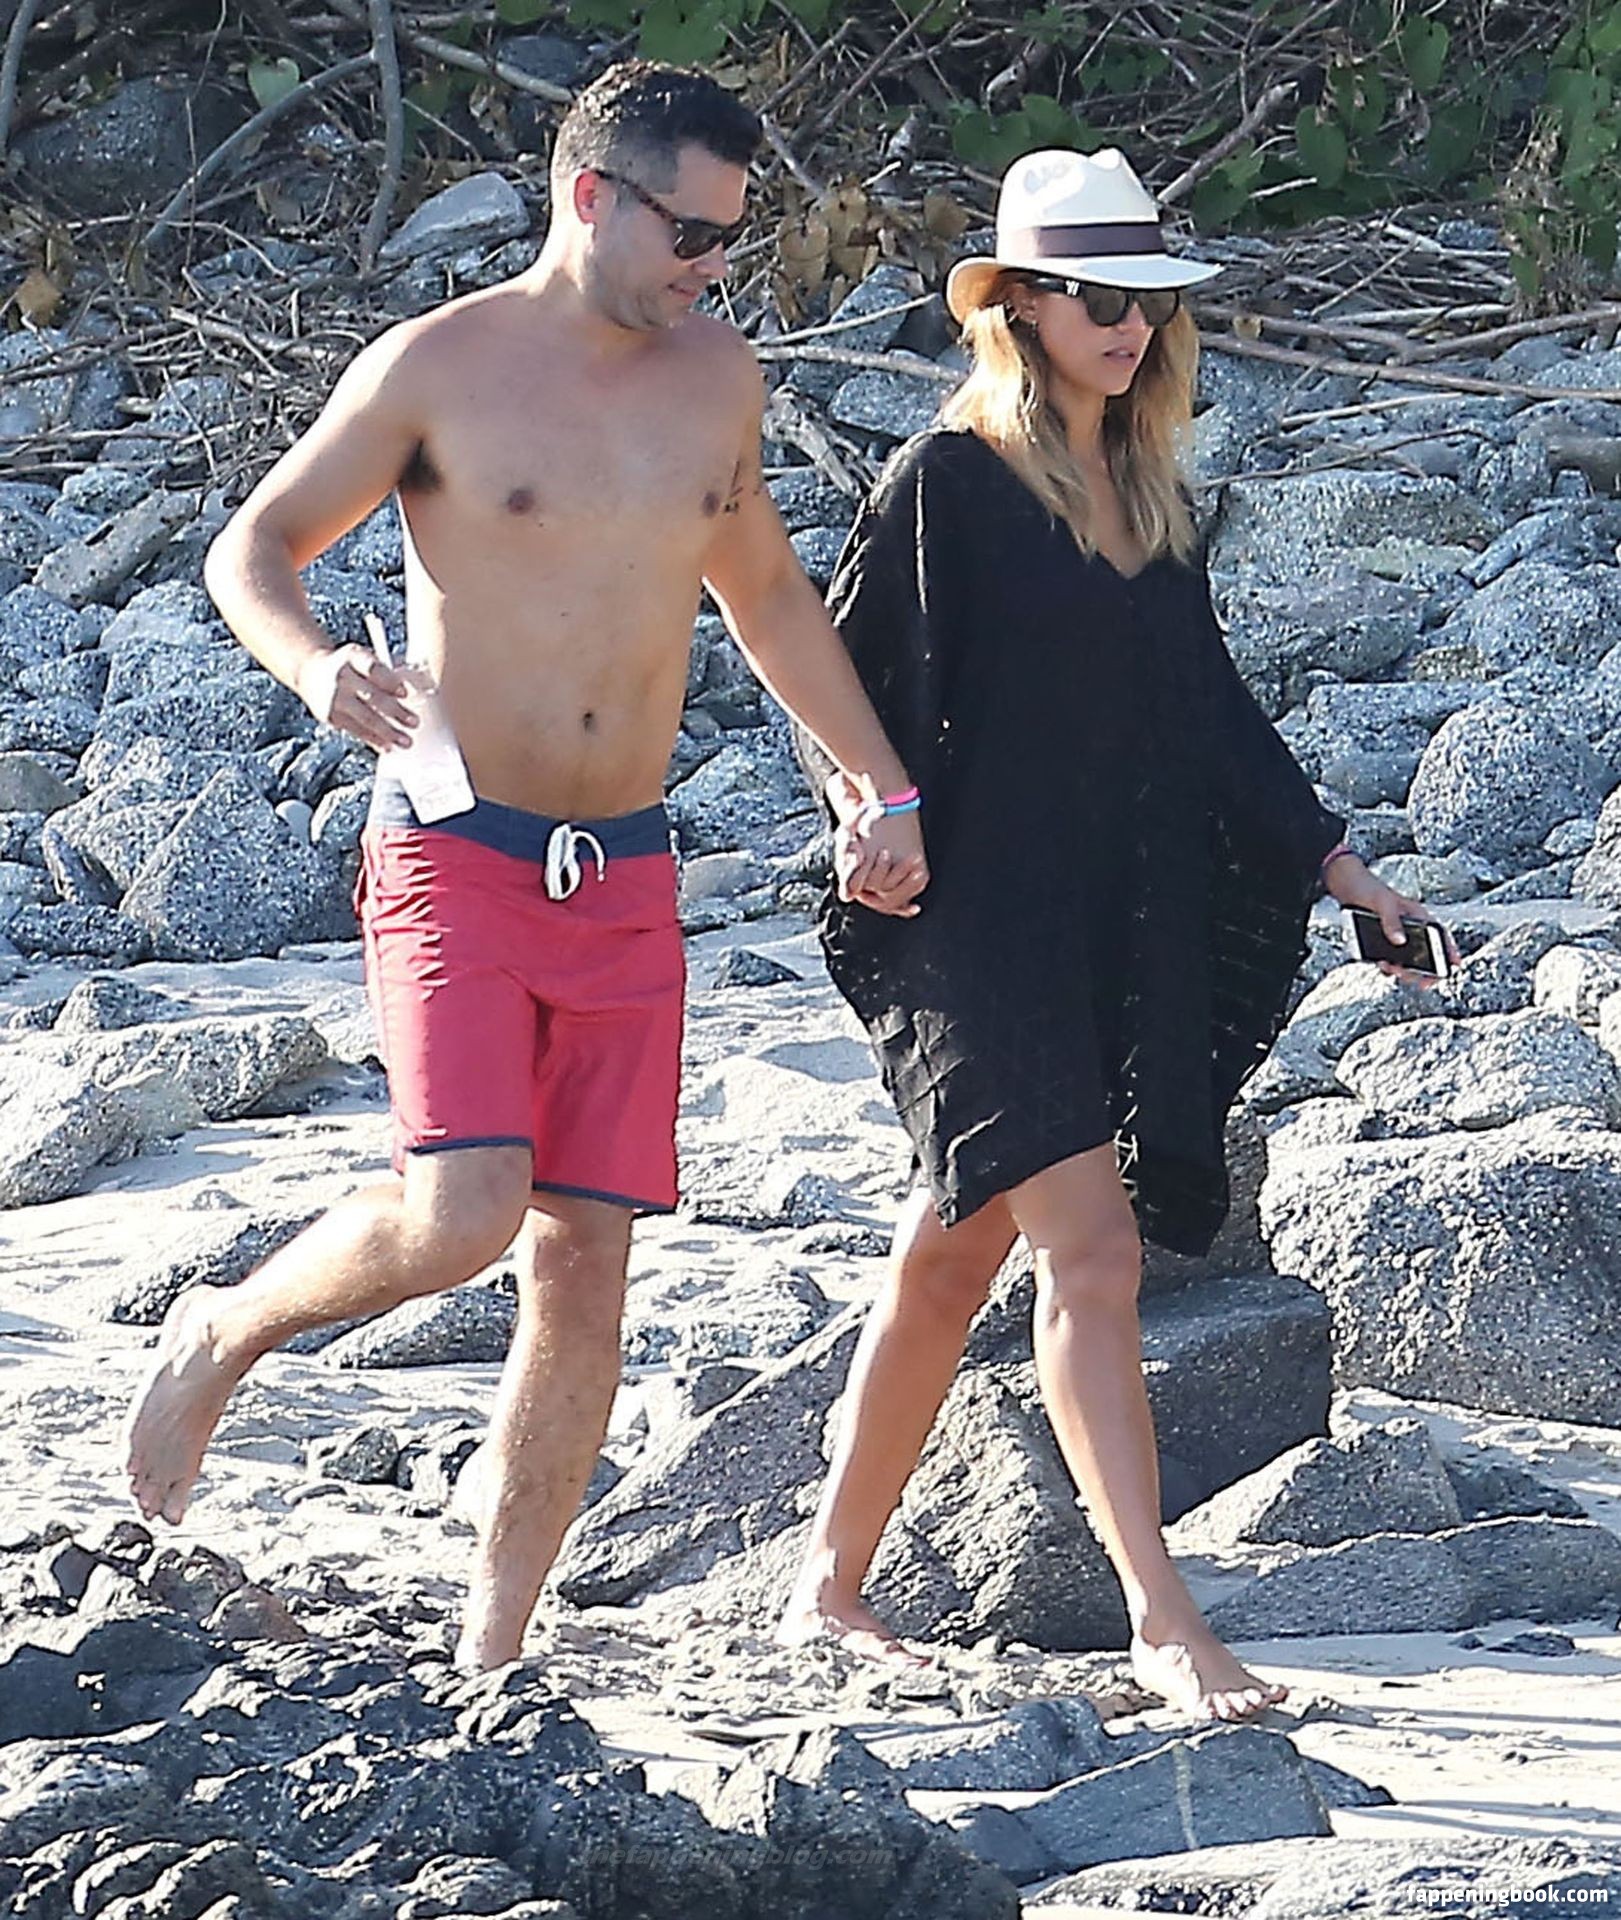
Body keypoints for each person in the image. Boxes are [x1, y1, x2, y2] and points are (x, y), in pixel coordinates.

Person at [122, 59, 927, 1672]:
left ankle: (491, 1654)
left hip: (623, 872)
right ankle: (224, 1327)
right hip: (456, 850)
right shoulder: (440, 365)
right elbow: (253, 545)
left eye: (732, 240)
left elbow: (765, 596)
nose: (713, 267)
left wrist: (880, 784)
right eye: (691, 235)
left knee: (584, 1263)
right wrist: (312, 668)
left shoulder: (718, 379)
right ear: (590, 197)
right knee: (462, 1213)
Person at [779, 147, 1452, 1720]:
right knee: (1089, 1250)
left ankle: (825, 1586)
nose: (1125, 324)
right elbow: (835, 684)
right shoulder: (946, 484)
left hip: (1105, 924)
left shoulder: (1151, 497)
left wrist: (1339, 866)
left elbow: (1210, 719)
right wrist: (866, 812)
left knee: (950, 1255)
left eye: (1143, 298)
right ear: (1014, 306)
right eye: (1092, 296)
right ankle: (1164, 1619)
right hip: (968, 926)